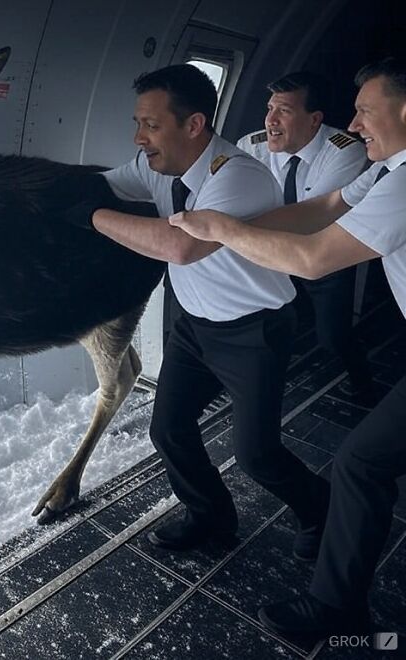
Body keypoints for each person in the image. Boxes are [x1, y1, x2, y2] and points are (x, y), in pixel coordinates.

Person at [169, 56, 406, 637]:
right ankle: (339, 601)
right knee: (364, 464)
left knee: (361, 462)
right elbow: (322, 210)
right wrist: (238, 222)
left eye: (366, 110)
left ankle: (335, 607)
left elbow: (314, 256)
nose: (356, 121)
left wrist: (221, 230)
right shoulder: (386, 170)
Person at [66, 64, 329, 560]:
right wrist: (50, 191)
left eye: (150, 124)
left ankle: (321, 510)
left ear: (194, 125)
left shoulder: (237, 176)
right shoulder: (156, 166)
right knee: (168, 429)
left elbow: (181, 247)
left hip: (255, 331)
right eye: (137, 123)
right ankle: (210, 516)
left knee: (256, 455)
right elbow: (107, 182)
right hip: (195, 327)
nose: (139, 137)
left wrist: (91, 217)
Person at [238, 72, 373, 402]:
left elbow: (313, 219)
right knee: (269, 325)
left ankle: (362, 382)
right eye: (269, 108)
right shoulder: (249, 146)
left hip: (324, 254)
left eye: (283, 110)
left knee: (333, 336)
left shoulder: (345, 151)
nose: (270, 120)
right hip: (271, 255)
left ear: (314, 120)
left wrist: (233, 228)